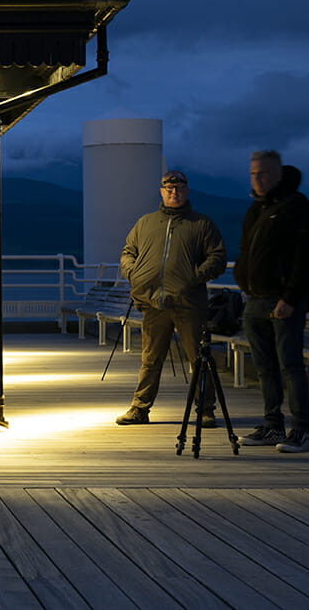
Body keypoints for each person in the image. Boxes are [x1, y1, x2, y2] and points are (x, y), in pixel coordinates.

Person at [114, 170, 227, 427]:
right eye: (168, 187)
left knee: (198, 358)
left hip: (189, 303)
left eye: (178, 187)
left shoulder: (202, 224)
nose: (173, 192)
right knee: (150, 359)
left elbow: (217, 258)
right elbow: (127, 252)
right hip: (154, 303)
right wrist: (133, 273)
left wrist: (193, 278)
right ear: (161, 190)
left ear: (186, 190)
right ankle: (140, 409)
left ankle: (205, 410)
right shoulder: (145, 223)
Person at [234, 150, 309, 454]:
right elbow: (247, 251)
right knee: (265, 368)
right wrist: (243, 282)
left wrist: (290, 298)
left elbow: (305, 257)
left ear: (278, 173)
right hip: (255, 300)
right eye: (252, 173)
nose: (257, 179)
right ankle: (273, 425)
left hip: (282, 301)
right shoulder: (255, 209)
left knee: (291, 366)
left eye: (262, 173)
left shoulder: (297, 207)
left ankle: (302, 430)